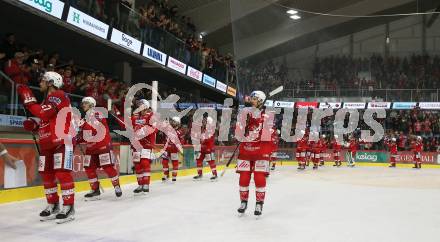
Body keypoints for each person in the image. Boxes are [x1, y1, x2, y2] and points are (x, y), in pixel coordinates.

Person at [18, 71, 75, 223]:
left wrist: (29, 101)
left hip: (62, 141)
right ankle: (53, 204)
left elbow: (44, 113)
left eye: (43, 80)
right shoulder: (46, 101)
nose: (40, 83)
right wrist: (34, 124)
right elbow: (44, 119)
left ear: (51, 83)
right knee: (47, 175)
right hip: (47, 143)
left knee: (63, 174)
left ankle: (69, 207)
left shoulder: (59, 95)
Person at [236, 90, 275, 217]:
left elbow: (268, 133)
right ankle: (243, 202)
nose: (251, 100)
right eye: (251, 97)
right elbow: (238, 132)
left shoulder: (268, 115)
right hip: (245, 150)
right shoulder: (244, 113)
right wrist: (243, 124)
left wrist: (255, 119)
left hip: (260, 151)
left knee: (259, 177)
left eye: (254, 98)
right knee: (244, 177)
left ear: (260, 101)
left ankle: (259, 203)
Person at [77, 97, 122, 200]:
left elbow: (95, 127)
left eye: (86, 103)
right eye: (83, 103)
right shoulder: (84, 118)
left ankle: (117, 186)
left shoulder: (98, 113)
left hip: (103, 145)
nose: (83, 104)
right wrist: (76, 138)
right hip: (91, 148)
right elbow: (86, 135)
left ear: (92, 105)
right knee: (88, 168)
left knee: (108, 167)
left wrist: (83, 124)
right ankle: (95, 189)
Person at [115, 99, 157, 194]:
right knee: (137, 165)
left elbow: (154, 129)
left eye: (141, 105)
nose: (139, 107)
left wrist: (142, 132)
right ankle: (140, 184)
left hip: (146, 144)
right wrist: (117, 116)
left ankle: (146, 184)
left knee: (145, 163)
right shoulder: (135, 117)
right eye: (138, 105)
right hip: (136, 145)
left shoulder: (151, 116)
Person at [161, 116, 186, 183]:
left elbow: (181, 141)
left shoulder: (180, 132)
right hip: (166, 148)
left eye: (174, 121)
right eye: (172, 121)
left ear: (178, 123)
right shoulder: (167, 128)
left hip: (174, 149)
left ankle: (174, 176)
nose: (172, 122)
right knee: (164, 162)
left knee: (175, 162)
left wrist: (179, 148)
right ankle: (166, 175)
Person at [193, 116, 218, 181]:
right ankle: (200, 174)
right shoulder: (203, 129)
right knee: (198, 160)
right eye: (203, 121)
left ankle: (215, 175)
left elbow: (208, 139)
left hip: (209, 148)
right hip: (202, 148)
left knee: (211, 161)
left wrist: (201, 140)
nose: (203, 122)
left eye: (205, 121)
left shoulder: (211, 129)